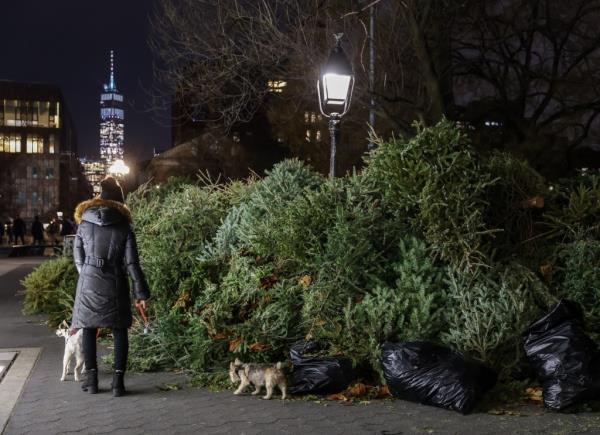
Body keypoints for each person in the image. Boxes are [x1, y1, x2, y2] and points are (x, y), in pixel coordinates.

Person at [72, 176, 149, 396]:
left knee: (88, 327)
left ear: (99, 198)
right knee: (119, 329)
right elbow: (132, 263)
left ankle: (93, 380)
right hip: (116, 281)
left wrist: (87, 273)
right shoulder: (124, 226)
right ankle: (118, 383)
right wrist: (141, 292)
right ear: (119, 201)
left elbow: (77, 255)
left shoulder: (84, 222)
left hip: (89, 279)